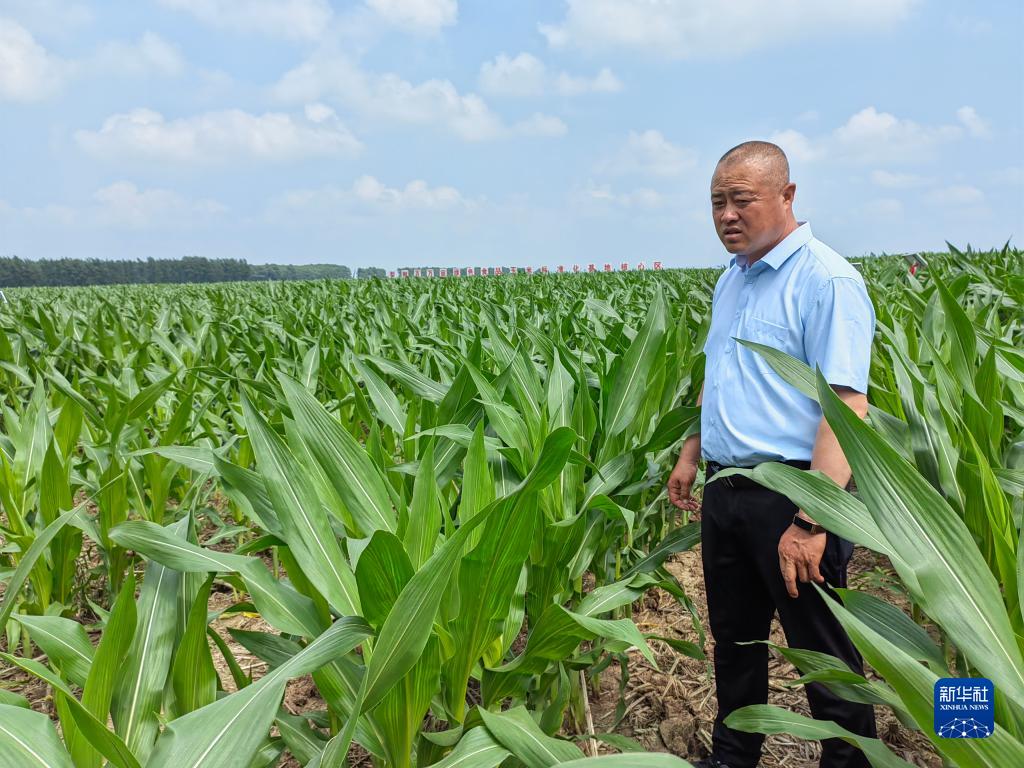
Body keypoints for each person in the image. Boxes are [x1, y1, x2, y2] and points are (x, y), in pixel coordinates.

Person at [667, 141, 877, 768]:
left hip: (793, 494)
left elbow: (846, 406)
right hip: (726, 489)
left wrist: (813, 520)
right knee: (734, 642)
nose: (726, 215)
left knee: (823, 653)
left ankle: (850, 762)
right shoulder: (731, 278)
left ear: (787, 196)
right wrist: (692, 450)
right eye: (717, 203)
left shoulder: (827, 280)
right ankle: (733, 758)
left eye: (741, 200)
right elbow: (720, 374)